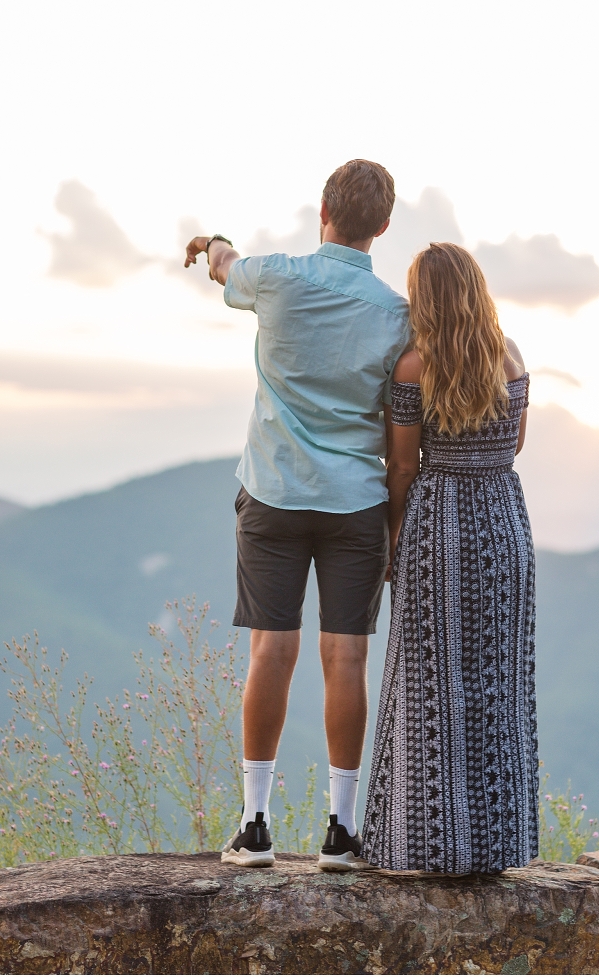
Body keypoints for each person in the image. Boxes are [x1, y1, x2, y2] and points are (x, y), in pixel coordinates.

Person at [184, 160, 409, 871]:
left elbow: (225, 265)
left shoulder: (275, 275)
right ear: (383, 225)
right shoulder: (395, 313)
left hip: (274, 494)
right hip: (355, 503)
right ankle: (342, 832)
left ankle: (255, 824)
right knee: (347, 656)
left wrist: (215, 242)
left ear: (323, 210)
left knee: (270, 651)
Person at [362, 242, 538, 874]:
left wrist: (392, 539)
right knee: (498, 686)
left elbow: (403, 466)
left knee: (426, 684)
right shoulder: (510, 357)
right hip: (504, 525)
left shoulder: (414, 367)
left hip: (439, 526)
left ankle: (419, 843)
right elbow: (514, 446)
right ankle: (496, 845)